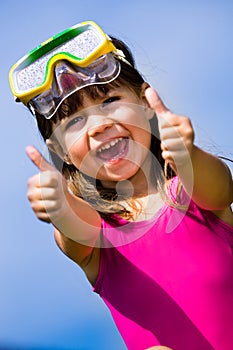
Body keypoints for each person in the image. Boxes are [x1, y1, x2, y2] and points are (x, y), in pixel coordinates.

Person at [9, 20, 233, 350]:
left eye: (110, 100)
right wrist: (61, 207)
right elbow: (76, 229)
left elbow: (220, 189)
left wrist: (188, 155)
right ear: (61, 153)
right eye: (74, 121)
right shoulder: (98, 242)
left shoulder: (194, 192)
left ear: (146, 106)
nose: (99, 125)